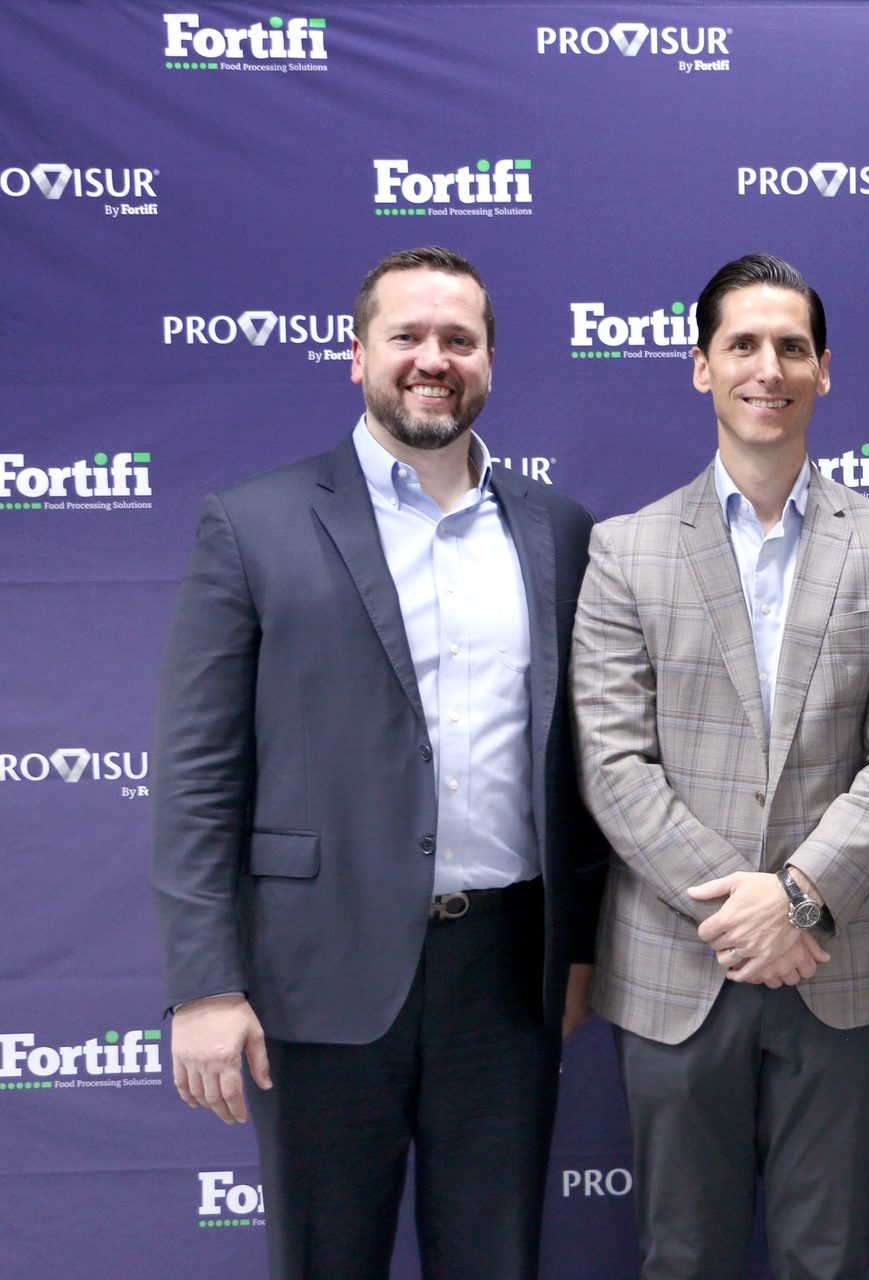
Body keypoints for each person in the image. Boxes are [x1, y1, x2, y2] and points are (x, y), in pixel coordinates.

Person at [150, 245, 606, 1279]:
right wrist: (204, 985)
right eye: (406, 335)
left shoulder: (559, 531)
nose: (432, 358)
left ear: (491, 360)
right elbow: (195, 776)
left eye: (459, 338)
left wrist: (576, 945)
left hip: (505, 974)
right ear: (357, 356)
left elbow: (582, 761)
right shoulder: (253, 521)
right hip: (314, 977)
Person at [571, 253, 869, 1280]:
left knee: (827, 1259)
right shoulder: (626, 549)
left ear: (824, 369)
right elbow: (614, 763)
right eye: (743, 343)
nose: (767, 366)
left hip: (842, 962)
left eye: (792, 346)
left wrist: (797, 896)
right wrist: (741, 909)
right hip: (675, 966)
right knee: (680, 1254)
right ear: (701, 366)